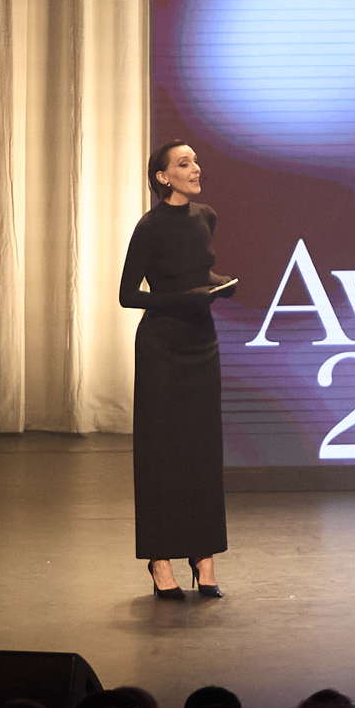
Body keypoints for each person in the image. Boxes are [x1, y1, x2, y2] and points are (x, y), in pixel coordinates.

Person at [119, 138, 239, 597]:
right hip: (162, 347)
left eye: (195, 161)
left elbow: (198, 273)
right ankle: (159, 560)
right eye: (183, 164)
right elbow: (129, 294)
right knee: (162, 454)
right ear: (163, 177)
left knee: (202, 452)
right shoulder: (149, 228)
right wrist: (183, 299)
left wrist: (219, 284)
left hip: (201, 343)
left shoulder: (205, 216)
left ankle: (204, 556)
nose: (195, 168)